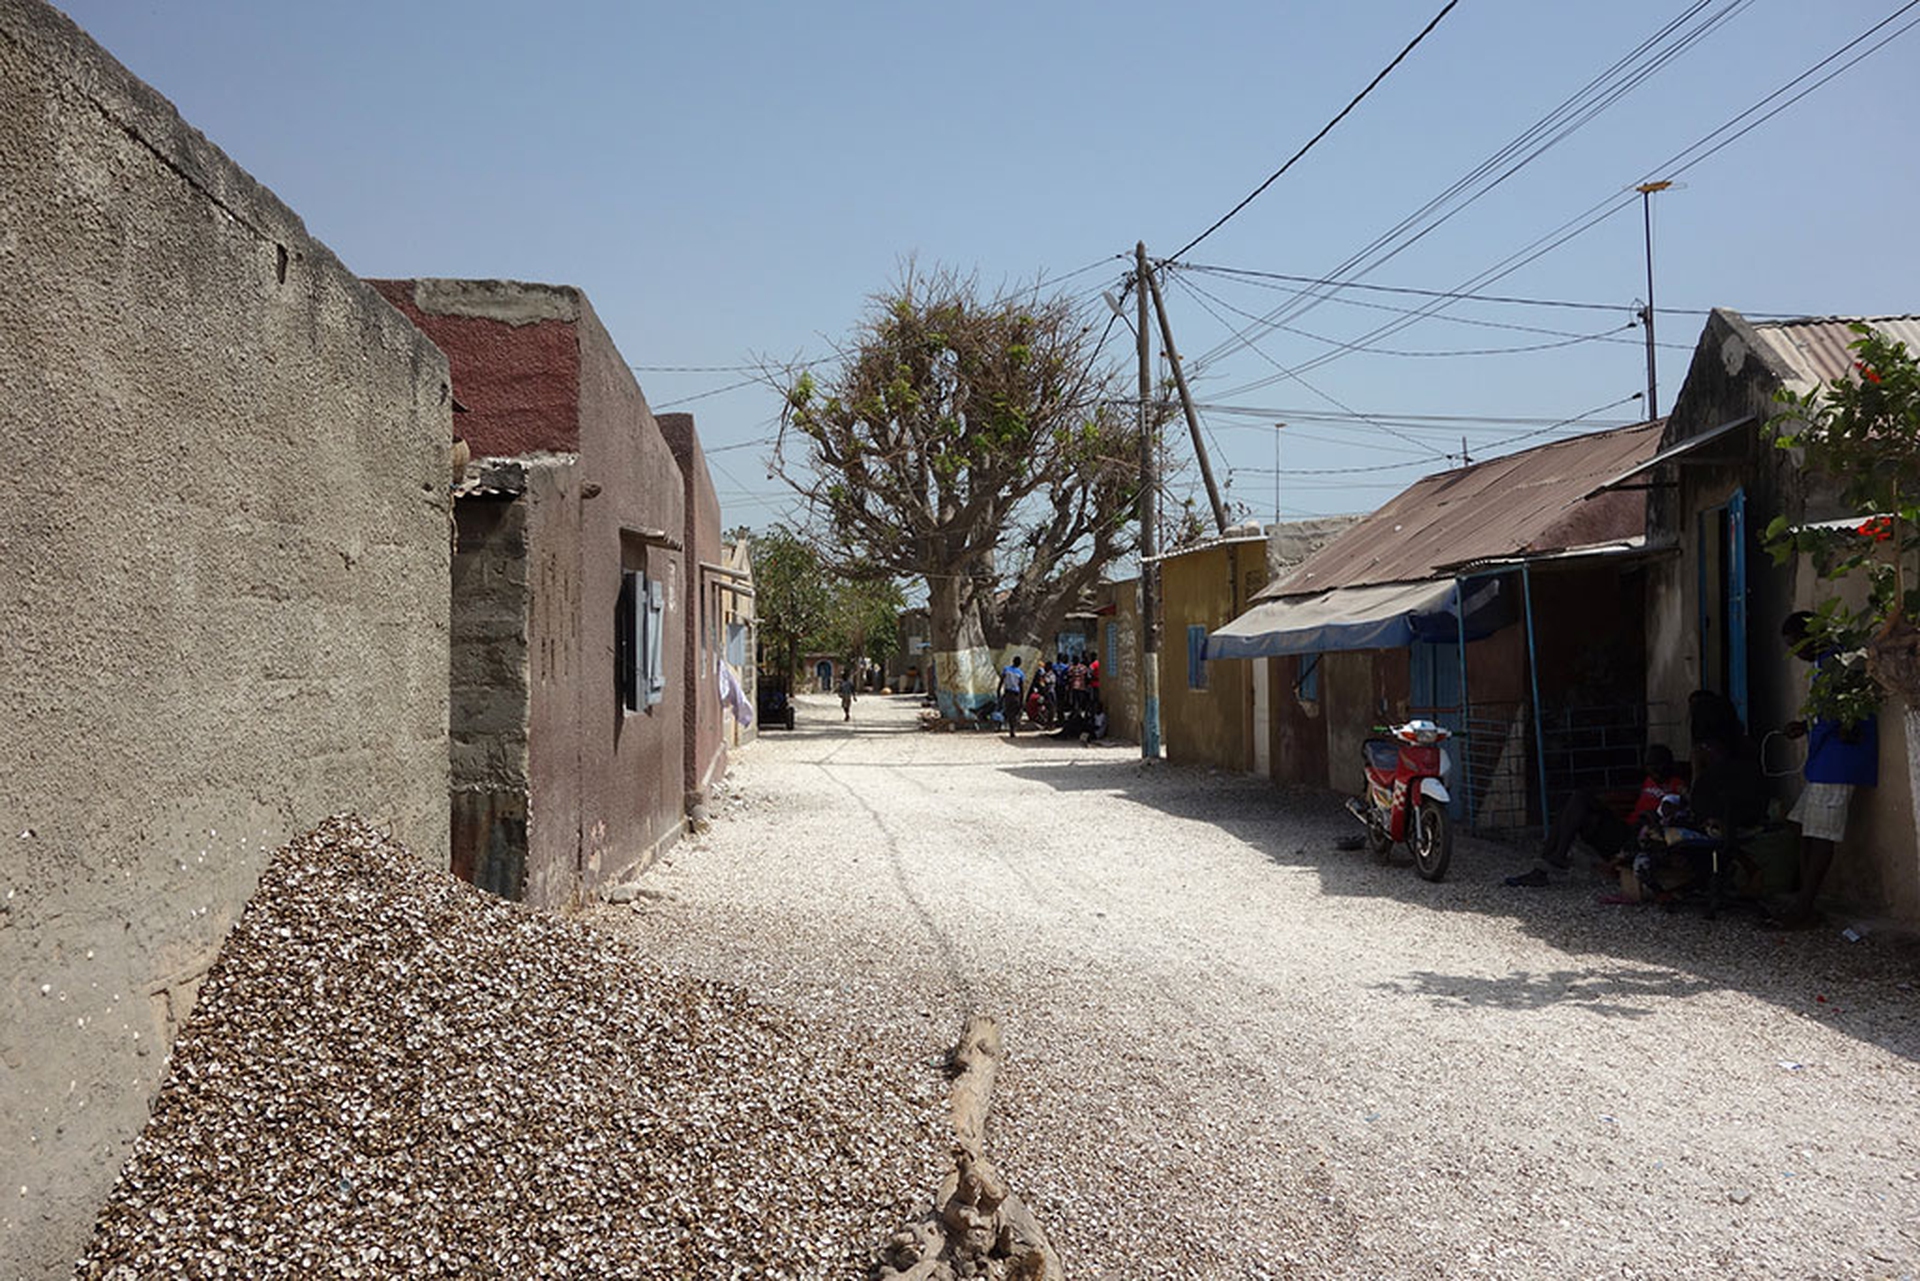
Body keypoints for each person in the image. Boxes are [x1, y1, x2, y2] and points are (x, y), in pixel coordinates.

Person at [1773, 611, 1879, 928]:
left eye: (1797, 644)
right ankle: (1805, 900)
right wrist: (1806, 726)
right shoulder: (1825, 665)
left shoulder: (1842, 661)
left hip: (1838, 762)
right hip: (1823, 761)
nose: (1797, 652)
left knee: (1820, 836)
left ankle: (1803, 907)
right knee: (1804, 828)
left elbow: (1851, 707)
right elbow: (1829, 710)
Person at [1505, 745, 1685, 887]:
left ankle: (1554, 860)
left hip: (1635, 838)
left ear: (1668, 764)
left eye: (1657, 766)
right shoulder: (1649, 780)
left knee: (1580, 798)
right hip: (1623, 828)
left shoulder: (1678, 785)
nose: (1654, 772)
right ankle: (1542, 869)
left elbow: (1675, 814)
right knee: (1570, 807)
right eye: (1649, 767)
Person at [998, 656, 1026, 739]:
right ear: (1020, 664)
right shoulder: (1020, 673)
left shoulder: (1006, 669)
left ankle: (1010, 727)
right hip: (1015, 694)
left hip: (1008, 693)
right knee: (1013, 712)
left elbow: (1001, 681)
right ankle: (1012, 729)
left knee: (1009, 711)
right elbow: (1021, 687)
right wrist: (1022, 699)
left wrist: (998, 690)